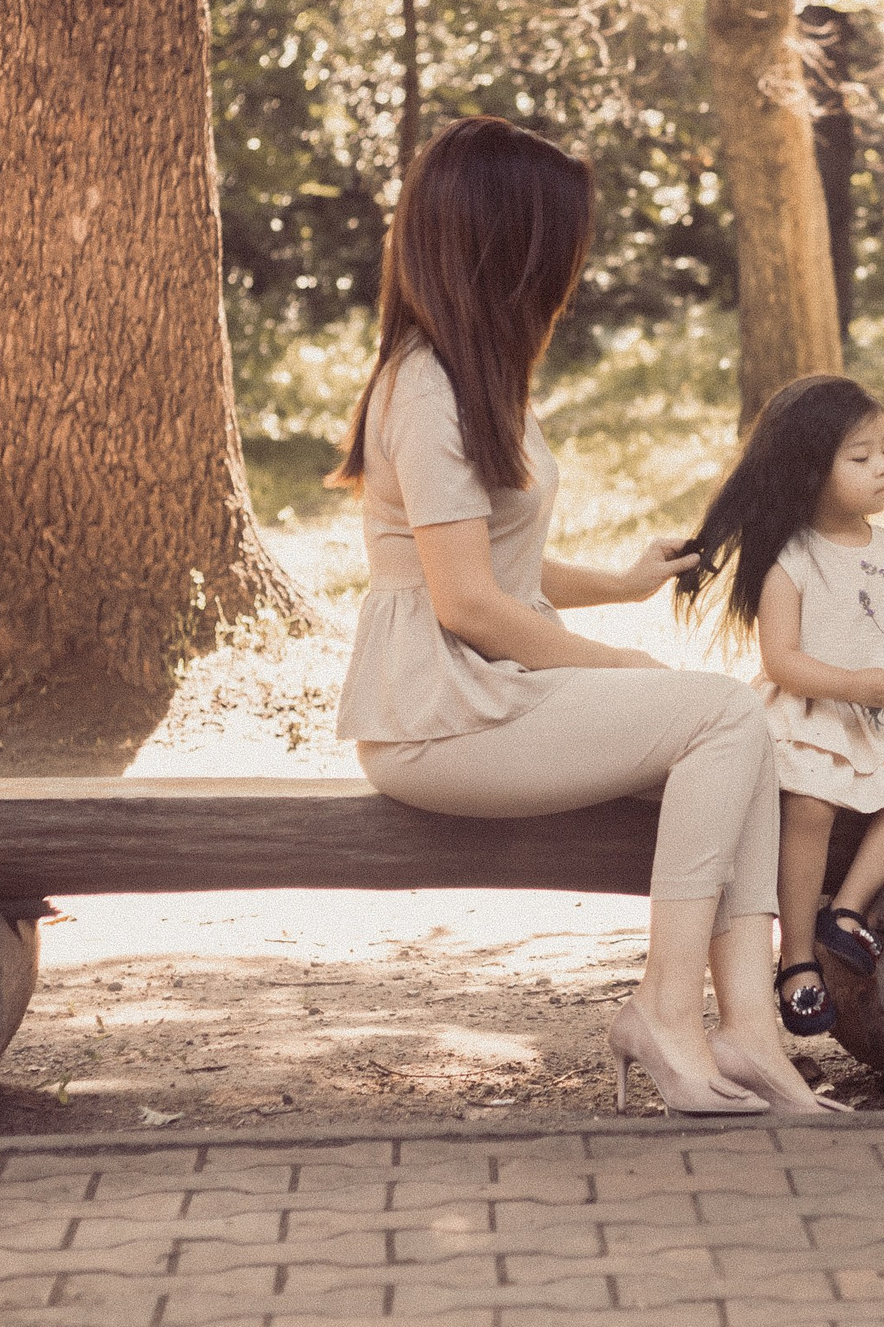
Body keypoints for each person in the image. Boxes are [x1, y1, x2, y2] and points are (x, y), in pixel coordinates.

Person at [330, 116, 834, 1117]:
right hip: (438, 719)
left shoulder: (471, 373)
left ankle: (749, 1033)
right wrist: (616, 662)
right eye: (559, 240)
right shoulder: (427, 390)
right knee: (722, 714)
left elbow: (488, 563)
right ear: (506, 245)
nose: (571, 267)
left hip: (479, 697)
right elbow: (465, 602)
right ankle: (666, 1014)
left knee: (738, 739)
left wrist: (620, 582)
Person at [676, 375, 884, 1038]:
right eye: (860, 457)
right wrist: (852, 684)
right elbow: (782, 660)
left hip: (872, 716)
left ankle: (848, 911)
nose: (882, 468)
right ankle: (797, 956)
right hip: (806, 709)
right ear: (810, 469)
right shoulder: (793, 556)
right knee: (811, 804)